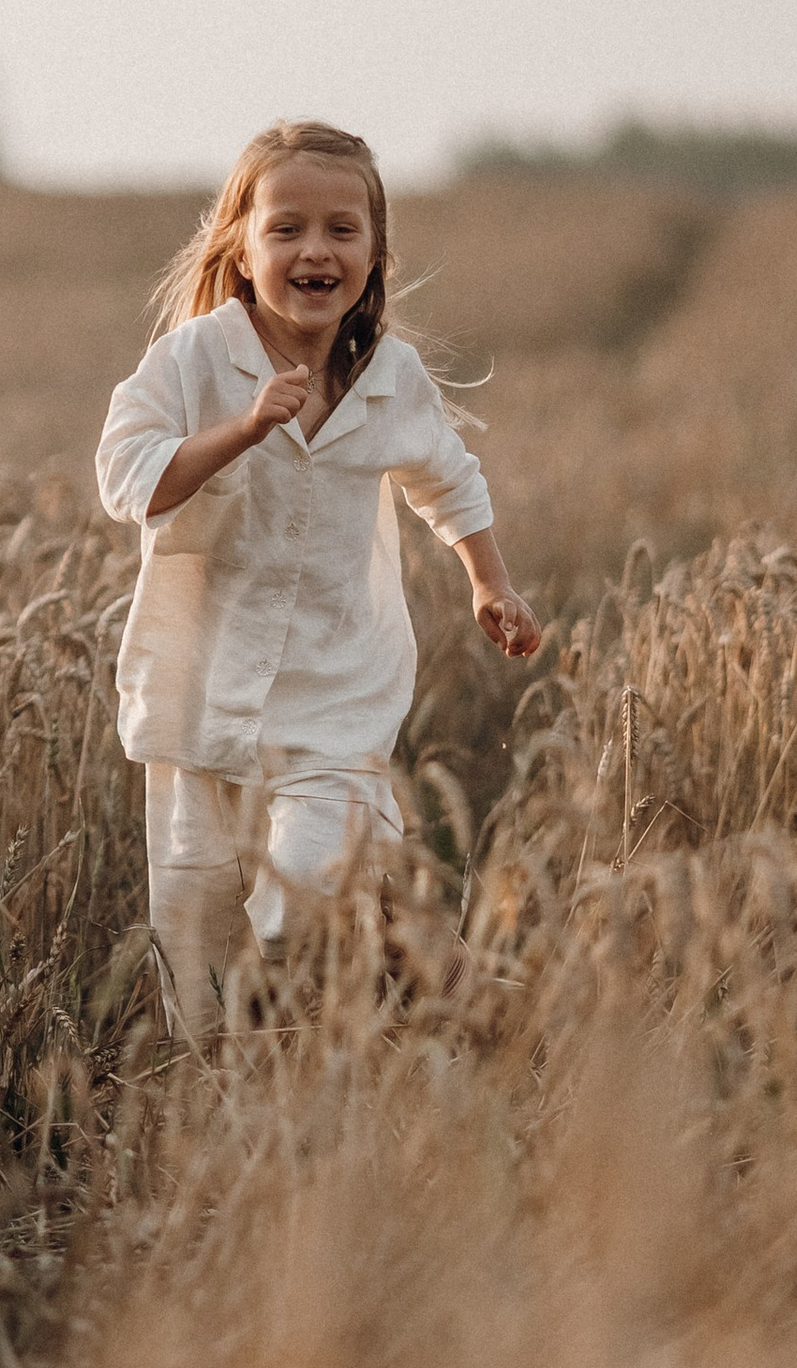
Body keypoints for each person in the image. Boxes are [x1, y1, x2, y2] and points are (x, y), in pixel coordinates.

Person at [95, 119, 540, 1032]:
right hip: (198, 700)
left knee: (305, 897)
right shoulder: (191, 361)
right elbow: (128, 480)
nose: (315, 249)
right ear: (241, 244)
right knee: (202, 972)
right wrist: (244, 430)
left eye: (343, 229)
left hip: (334, 698)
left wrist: (488, 582)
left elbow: (446, 474)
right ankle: (280, 1108)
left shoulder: (388, 376)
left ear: (375, 256)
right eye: (287, 227)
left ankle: (411, 971)